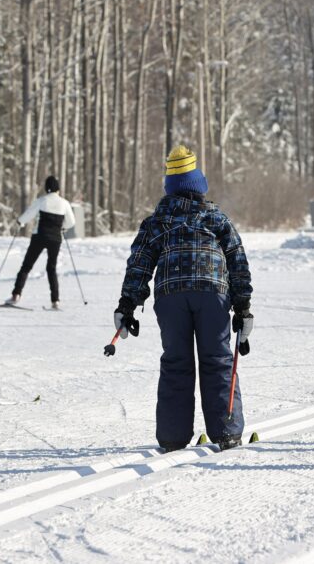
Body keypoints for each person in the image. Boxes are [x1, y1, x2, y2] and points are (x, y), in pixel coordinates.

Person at [116, 146, 253, 452]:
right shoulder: (215, 217)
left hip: (171, 296)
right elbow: (237, 260)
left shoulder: (157, 221)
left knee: (176, 362)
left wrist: (127, 304)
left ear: (170, 187)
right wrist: (243, 306)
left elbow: (139, 263)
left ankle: (173, 437)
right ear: (198, 185)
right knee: (217, 359)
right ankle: (227, 432)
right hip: (212, 293)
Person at [6, 176, 76, 309]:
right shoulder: (64, 203)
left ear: (46, 188)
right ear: (58, 189)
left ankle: (16, 295)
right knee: (51, 268)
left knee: (26, 266)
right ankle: (55, 301)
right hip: (56, 239)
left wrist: (20, 221)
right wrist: (62, 227)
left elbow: (29, 214)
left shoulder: (42, 200)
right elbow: (71, 222)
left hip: (40, 236)